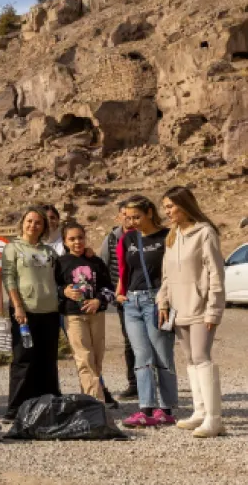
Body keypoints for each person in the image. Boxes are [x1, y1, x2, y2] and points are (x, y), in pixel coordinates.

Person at [158, 186, 226, 438]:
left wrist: (213, 310)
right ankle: (199, 411)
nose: (167, 212)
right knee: (189, 359)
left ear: (185, 205)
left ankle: (214, 419)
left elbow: (216, 272)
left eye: (171, 206)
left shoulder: (205, 233)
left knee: (201, 357)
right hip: (178, 308)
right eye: (165, 207)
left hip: (200, 307)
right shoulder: (172, 235)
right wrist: (163, 301)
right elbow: (167, 274)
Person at [116, 195, 176, 428]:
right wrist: (120, 292)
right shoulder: (128, 237)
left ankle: (167, 409)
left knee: (162, 353)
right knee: (141, 356)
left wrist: (168, 301)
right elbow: (124, 267)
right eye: (129, 217)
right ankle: (145, 409)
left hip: (158, 300)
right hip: (132, 302)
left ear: (150, 212)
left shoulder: (167, 236)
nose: (132, 222)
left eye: (137, 217)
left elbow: (173, 271)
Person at [2, 207, 61, 421]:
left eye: (37, 222)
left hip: (49, 311)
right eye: (29, 221)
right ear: (22, 223)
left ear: (44, 227)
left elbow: (60, 277)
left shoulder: (50, 252)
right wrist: (17, 306)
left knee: (47, 359)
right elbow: (8, 278)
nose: (32, 226)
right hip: (25, 312)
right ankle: (16, 407)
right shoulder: (12, 248)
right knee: (23, 358)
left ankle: (48, 403)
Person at [55, 223, 114, 402]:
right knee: (84, 358)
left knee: (96, 359)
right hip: (73, 316)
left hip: (97, 315)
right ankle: (97, 402)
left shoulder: (96, 262)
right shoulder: (60, 263)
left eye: (80, 237)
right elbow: (52, 287)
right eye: (72, 239)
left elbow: (109, 288)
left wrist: (98, 300)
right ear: (65, 242)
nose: (77, 242)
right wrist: (64, 291)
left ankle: (87, 400)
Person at [99, 201, 137, 399]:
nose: (128, 219)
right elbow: (103, 266)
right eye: (124, 215)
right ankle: (134, 383)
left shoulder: (145, 236)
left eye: (132, 215)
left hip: (147, 296)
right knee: (130, 341)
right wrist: (112, 294)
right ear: (119, 217)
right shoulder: (112, 239)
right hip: (123, 298)